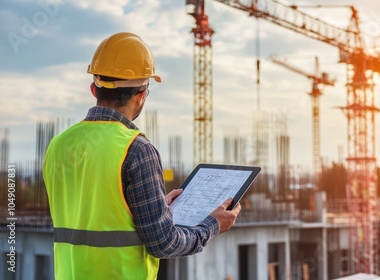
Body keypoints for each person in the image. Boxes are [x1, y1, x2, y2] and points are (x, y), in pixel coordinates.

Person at [43, 32, 241, 280]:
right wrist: (212, 225)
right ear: (141, 95)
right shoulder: (136, 149)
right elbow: (164, 243)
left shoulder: (58, 145)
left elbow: (96, 215)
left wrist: (156, 207)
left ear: (94, 89)